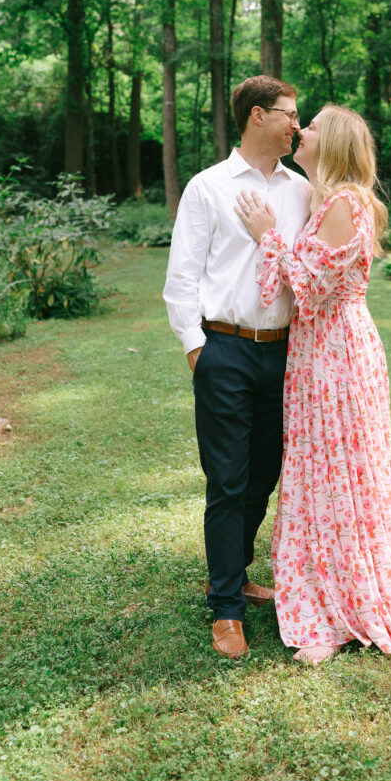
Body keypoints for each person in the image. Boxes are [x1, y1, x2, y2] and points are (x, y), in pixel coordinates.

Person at [235, 104, 391, 664]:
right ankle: (322, 595)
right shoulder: (325, 200)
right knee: (320, 471)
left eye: (312, 127)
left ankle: (339, 610)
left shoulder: (345, 203)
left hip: (335, 353)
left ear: (331, 145)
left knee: (339, 474)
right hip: (317, 350)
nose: (300, 130)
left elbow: (310, 285)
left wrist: (266, 236)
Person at [163, 75, 311, 660]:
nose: (296, 125)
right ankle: (225, 608)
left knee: (266, 471)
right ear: (257, 115)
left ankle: (232, 572)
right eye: (289, 114)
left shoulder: (300, 191)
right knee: (227, 479)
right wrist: (199, 350)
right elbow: (181, 280)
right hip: (223, 349)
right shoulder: (208, 187)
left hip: (284, 352)